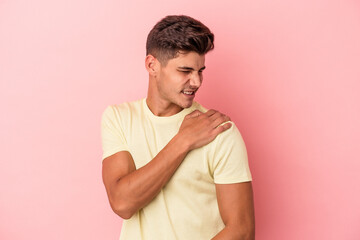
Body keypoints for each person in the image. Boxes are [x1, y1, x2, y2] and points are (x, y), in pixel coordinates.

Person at [101, 15, 255, 240]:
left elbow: (241, 231)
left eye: (200, 70)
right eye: (185, 71)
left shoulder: (219, 130)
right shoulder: (119, 118)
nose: (197, 82)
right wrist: (183, 141)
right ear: (152, 65)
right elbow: (122, 203)